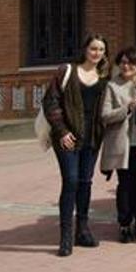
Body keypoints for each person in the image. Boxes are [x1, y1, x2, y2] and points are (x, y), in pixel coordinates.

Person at [43, 34, 110, 256]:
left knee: (85, 182)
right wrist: (61, 131)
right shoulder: (67, 71)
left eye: (101, 50)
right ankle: (65, 236)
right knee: (70, 181)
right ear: (84, 49)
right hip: (68, 137)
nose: (97, 53)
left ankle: (83, 230)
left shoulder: (104, 75)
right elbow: (50, 101)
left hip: (92, 138)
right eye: (93, 48)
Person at [101, 47, 136, 243]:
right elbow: (105, 116)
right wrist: (127, 108)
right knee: (125, 185)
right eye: (122, 62)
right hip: (123, 144)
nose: (126, 66)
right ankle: (124, 224)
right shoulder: (113, 86)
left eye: (131, 62)